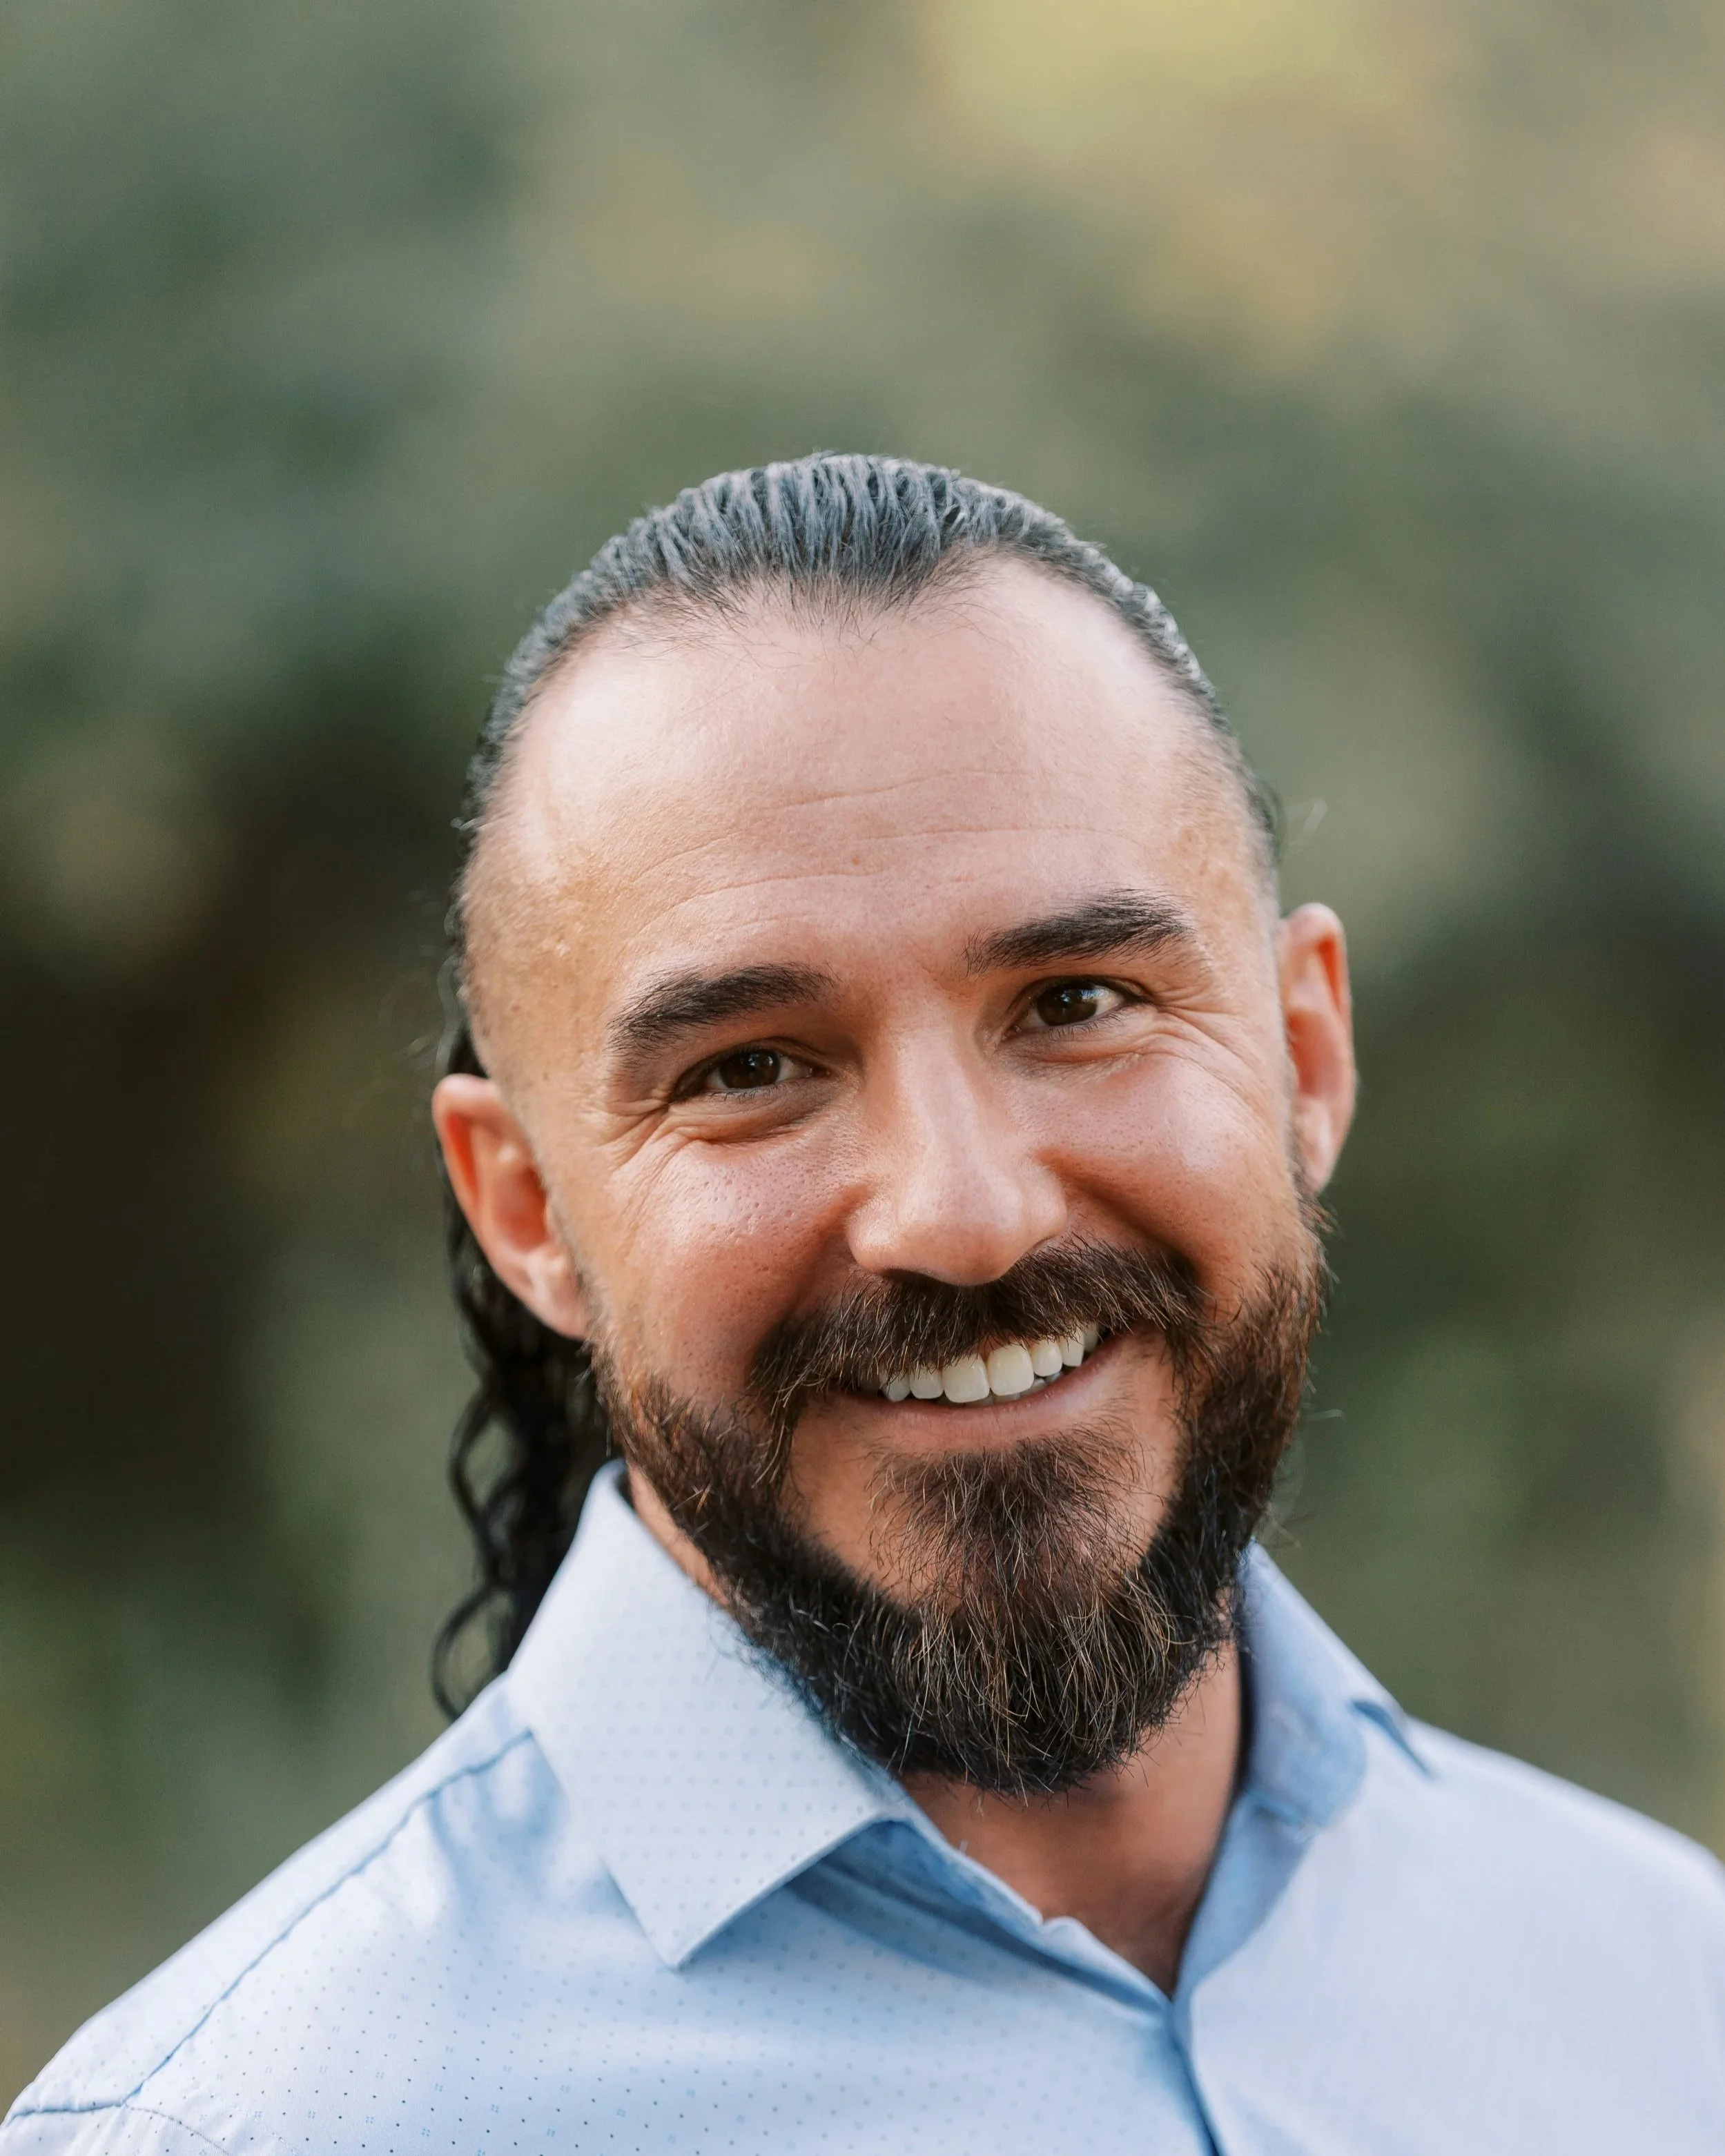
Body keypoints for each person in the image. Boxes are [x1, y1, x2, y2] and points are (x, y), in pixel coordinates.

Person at [7, 455, 1723, 2155]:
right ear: (526, 1210)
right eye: (750, 1067)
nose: (963, 1216)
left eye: (1077, 1000)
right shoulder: (245, 2129)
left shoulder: (1659, 1993)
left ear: (1304, 1053)